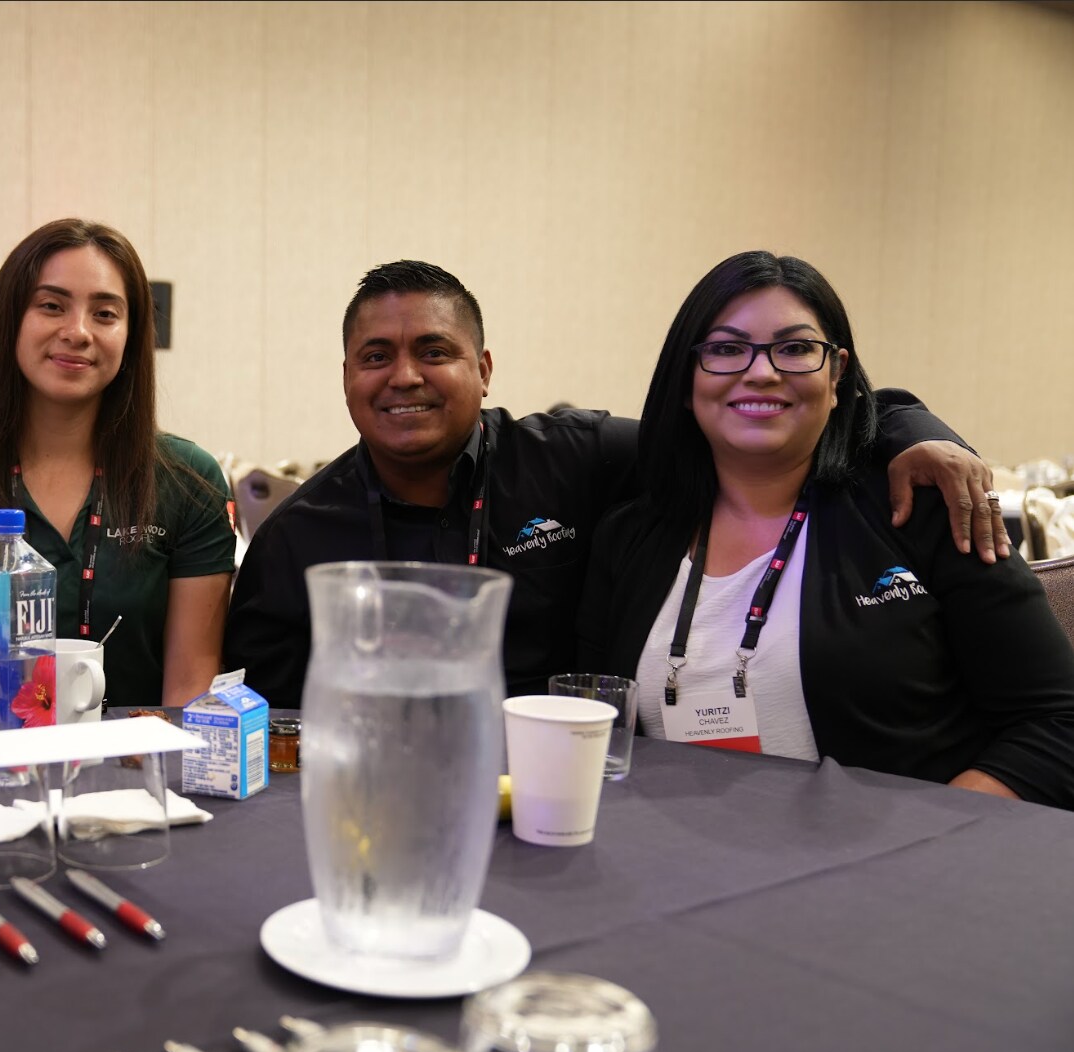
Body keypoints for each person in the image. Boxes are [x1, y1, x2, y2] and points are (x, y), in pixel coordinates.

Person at [225, 260, 1002, 708]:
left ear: (484, 370)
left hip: (567, 789)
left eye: (435, 350)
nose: (405, 377)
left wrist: (909, 424)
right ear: (346, 377)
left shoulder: (576, 458)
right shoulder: (299, 537)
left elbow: (743, 416)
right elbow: (268, 719)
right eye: (375, 357)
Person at [575, 252, 1074, 807]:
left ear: (836, 375)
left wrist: (933, 836)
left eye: (794, 348)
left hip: (896, 872)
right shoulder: (629, 537)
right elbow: (595, 724)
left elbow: (1057, 722)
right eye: (725, 348)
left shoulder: (921, 508)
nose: (761, 371)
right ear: (686, 378)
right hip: (681, 871)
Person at [0, 219, 235, 711]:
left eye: (105, 314)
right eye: (51, 306)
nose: (78, 332)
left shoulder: (189, 481)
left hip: (139, 775)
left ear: (131, 337)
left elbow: (189, 693)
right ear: (9, 320)